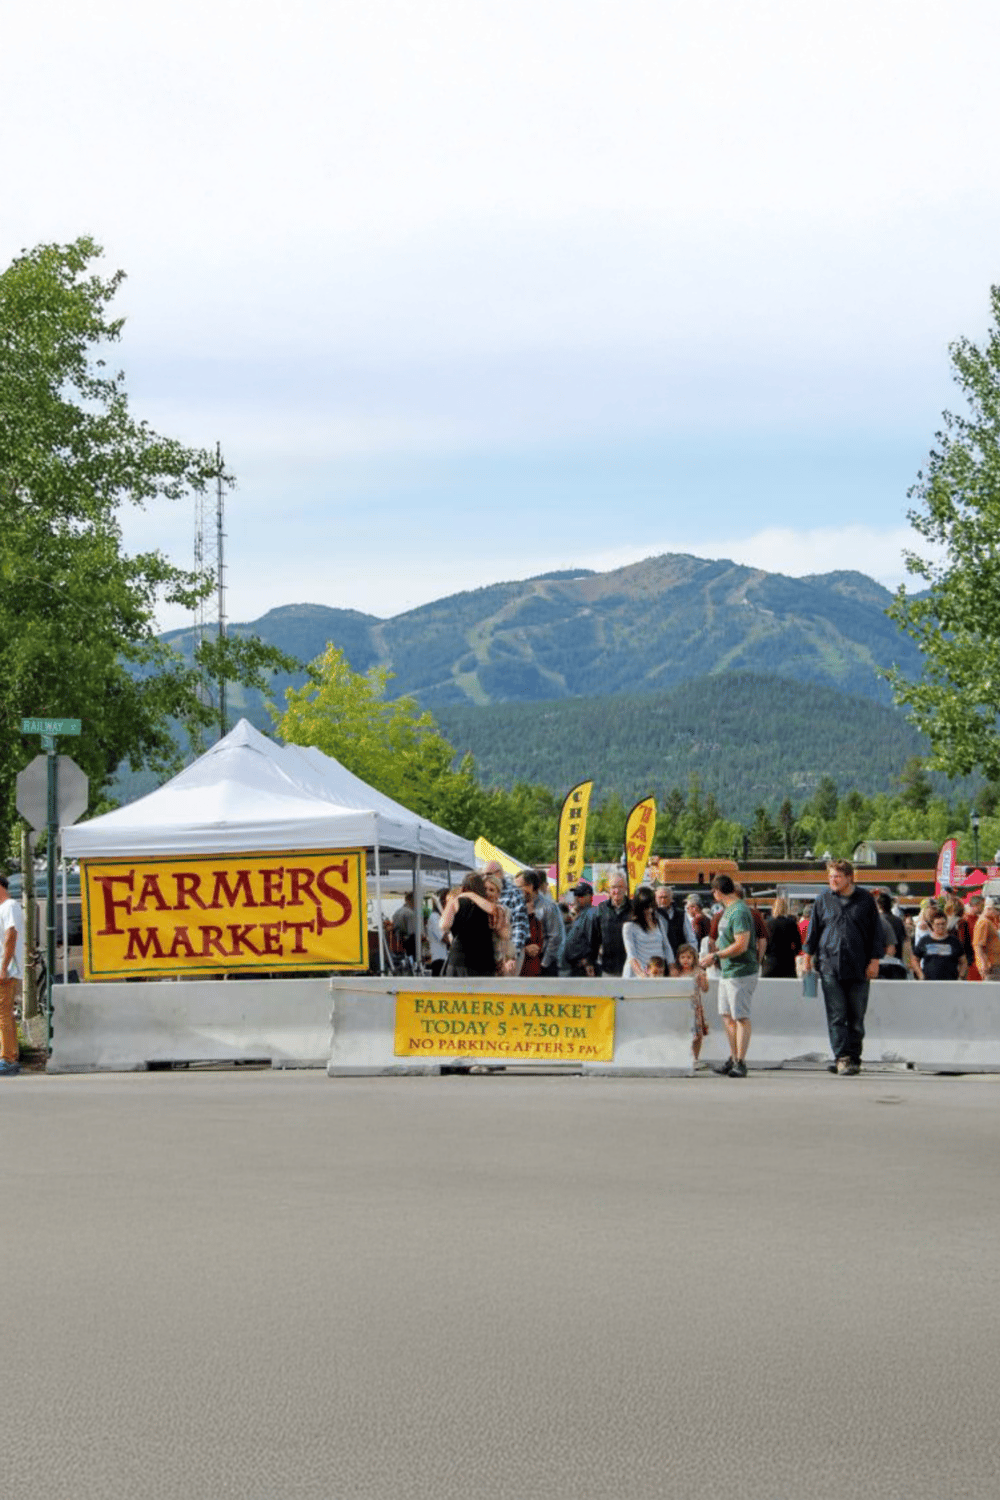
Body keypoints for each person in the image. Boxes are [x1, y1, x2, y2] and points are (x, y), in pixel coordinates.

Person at [802, 859, 885, 1076]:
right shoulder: (823, 900)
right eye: (830, 876)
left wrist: (875, 960)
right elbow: (814, 930)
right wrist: (807, 956)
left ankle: (855, 1056)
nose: (833, 880)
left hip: (859, 966)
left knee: (856, 1016)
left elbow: (877, 933)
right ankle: (842, 1057)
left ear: (849, 877)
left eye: (837, 876)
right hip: (830, 965)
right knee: (837, 1015)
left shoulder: (865, 900)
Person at [698, 874, 758, 1078]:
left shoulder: (739, 911)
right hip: (728, 969)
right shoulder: (729, 910)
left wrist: (715, 955)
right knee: (726, 1015)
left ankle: (741, 1061)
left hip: (740, 971)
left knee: (740, 1015)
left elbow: (741, 944)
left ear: (717, 892)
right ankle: (733, 1057)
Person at [440, 874, 498, 977]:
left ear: (464, 887)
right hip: (486, 961)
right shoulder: (490, 904)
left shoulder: (456, 901)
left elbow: (444, 925)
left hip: (460, 960)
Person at [483, 861, 530, 974]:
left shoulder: (514, 892)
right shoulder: (483, 892)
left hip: (508, 950)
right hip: (492, 953)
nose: (484, 877)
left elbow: (520, 926)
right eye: (483, 874)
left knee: (507, 988)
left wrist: (512, 957)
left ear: (499, 873)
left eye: (488, 874)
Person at [621, 885, 676, 977]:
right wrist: (641, 974)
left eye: (651, 906)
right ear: (638, 907)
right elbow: (631, 955)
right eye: (645, 907)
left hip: (657, 973)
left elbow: (667, 947)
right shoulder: (629, 926)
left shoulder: (658, 923)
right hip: (637, 975)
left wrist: (672, 967)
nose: (649, 910)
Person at [0, 873, 24, 1076]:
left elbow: (11, 934)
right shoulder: (6, 908)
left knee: (3, 1014)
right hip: (5, 969)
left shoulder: (10, 906)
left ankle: (7, 1058)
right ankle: (9, 1056)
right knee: (4, 1014)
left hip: (6, 971)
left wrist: (3, 967)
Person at [676, 942, 710, 1071]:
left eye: (689, 957)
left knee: (698, 1035)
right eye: (683, 957)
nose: (686, 960)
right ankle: (684, 1057)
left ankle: (695, 1058)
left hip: (696, 1007)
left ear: (694, 959)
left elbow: (705, 989)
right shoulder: (676, 973)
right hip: (681, 1008)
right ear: (678, 959)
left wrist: (703, 980)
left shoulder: (698, 971)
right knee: (684, 1034)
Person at [913, 911, 967, 981]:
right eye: (937, 924)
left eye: (943, 924)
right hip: (929, 982)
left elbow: (963, 961)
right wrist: (920, 975)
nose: (941, 926)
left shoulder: (954, 941)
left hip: (950, 983)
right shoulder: (925, 941)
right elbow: (915, 959)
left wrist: (961, 976)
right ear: (932, 925)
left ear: (947, 923)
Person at [761, 896, 802, 978]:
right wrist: (793, 954)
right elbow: (798, 945)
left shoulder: (767, 924)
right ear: (786, 908)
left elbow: (764, 945)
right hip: (788, 964)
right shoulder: (792, 923)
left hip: (770, 963)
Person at [875, 892, 908, 981]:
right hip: (897, 964)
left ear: (878, 905)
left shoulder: (877, 921)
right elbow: (905, 943)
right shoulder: (898, 921)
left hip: (880, 965)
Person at [972, 899, 1000, 982]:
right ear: (988, 909)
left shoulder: (988, 921)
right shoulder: (983, 922)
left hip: (993, 963)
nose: (998, 913)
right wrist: (984, 964)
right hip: (990, 965)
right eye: (997, 910)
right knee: (992, 991)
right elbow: (978, 945)